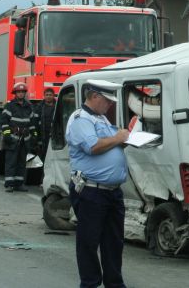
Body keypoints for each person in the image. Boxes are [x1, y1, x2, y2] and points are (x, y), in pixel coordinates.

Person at [66, 79, 129, 288]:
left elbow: (111, 145)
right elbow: (92, 146)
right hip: (92, 191)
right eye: (107, 101)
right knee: (89, 243)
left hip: (111, 192)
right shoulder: (80, 119)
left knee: (113, 243)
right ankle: (90, 284)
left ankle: (114, 284)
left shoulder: (100, 118)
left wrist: (125, 139)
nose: (110, 105)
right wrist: (119, 138)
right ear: (94, 97)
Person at [0, 82, 40, 192]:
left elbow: (32, 124)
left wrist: (35, 136)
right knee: (11, 162)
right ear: (15, 93)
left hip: (25, 140)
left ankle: (19, 184)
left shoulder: (29, 107)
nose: (21, 94)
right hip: (13, 139)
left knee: (22, 162)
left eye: (23, 92)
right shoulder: (10, 106)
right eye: (19, 92)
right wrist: (7, 135)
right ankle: (9, 184)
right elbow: (4, 122)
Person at [37, 87, 57, 160]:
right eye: (47, 95)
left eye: (50, 95)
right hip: (43, 137)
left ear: (53, 96)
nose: (48, 96)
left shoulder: (58, 106)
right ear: (44, 96)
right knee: (43, 157)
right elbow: (35, 123)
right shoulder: (39, 107)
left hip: (55, 136)